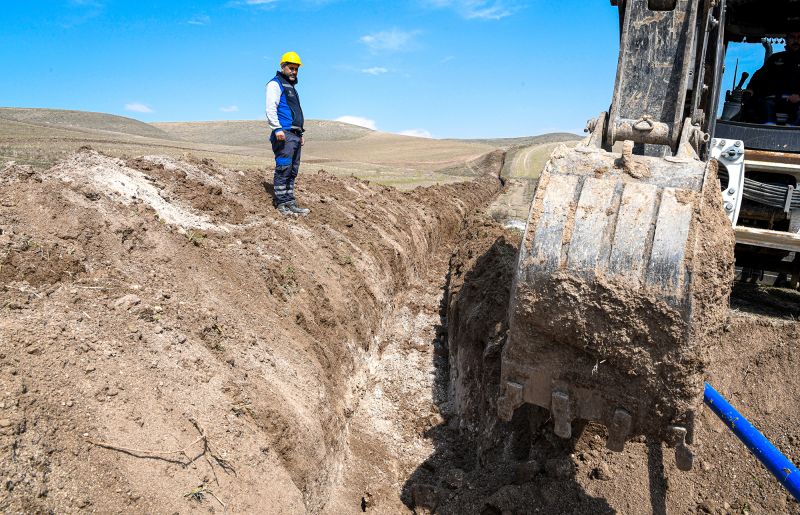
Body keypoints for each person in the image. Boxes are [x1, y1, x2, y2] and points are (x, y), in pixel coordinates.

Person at [266, 51, 310, 215]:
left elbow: (293, 112)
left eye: (296, 69)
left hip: (294, 135)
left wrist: (300, 133)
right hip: (283, 133)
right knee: (284, 167)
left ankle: (290, 201)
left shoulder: (291, 87)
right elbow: (271, 107)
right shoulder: (275, 84)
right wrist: (277, 128)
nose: (294, 71)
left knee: (292, 170)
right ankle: (281, 204)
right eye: (291, 68)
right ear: (283, 67)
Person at [745, 32, 800, 126]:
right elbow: (759, 77)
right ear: (786, 40)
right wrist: (750, 89)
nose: (796, 40)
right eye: (792, 37)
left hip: (797, 105)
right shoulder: (775, 58)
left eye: (799, 37)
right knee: (760, 107)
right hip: (772, 102)